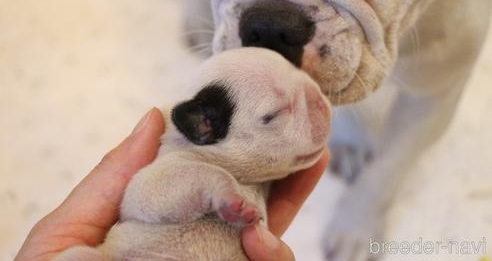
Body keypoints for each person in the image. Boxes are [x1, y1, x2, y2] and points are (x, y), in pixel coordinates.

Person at [16, 108, 329, 261]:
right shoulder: (173, 159)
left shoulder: (257, 183)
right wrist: (213, 186)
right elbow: (144, 200)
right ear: (204, 126)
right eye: (272, 114)